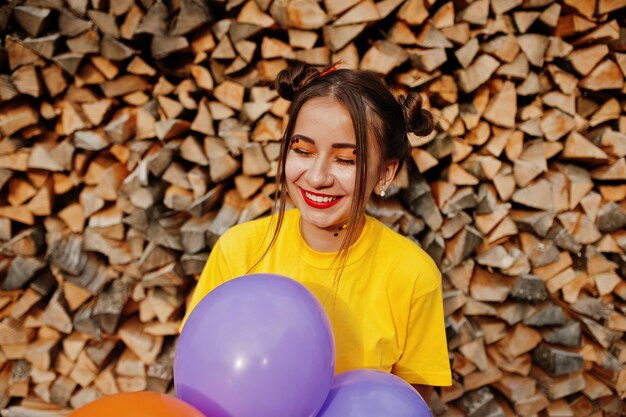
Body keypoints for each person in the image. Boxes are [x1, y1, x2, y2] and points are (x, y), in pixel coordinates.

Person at [182, 63, 452, 401]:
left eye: (346, 160)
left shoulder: (413, 276)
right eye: (303, 150)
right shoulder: (239, 252)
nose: (317, 176)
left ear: (385, 172)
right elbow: (201, 372)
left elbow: (407, 402)